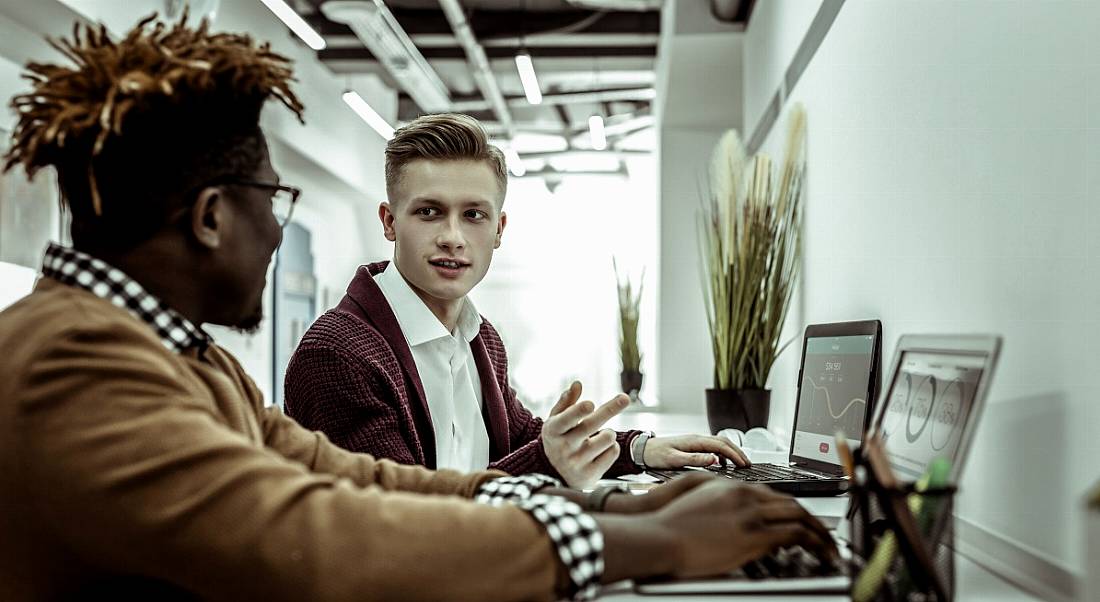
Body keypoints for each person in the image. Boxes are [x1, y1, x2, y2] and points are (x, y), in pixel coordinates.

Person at [0, 15, 835, 601]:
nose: (276, 228)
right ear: (214, 215)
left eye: (474, 216)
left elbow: (360, 480)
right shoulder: (74, 363)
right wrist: (653, 543)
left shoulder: (180, 354)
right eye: (272, 199)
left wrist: (617, 504)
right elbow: (321, 538)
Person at [283, 113, 749, 488]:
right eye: (429, 212)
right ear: (389, 222)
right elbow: (403, 517)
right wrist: (549, 460)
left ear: (498, 230)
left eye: (473, 215)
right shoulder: (335, 354)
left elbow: (519, 438)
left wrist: (639, 450)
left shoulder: (480, 337)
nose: (452, 237)